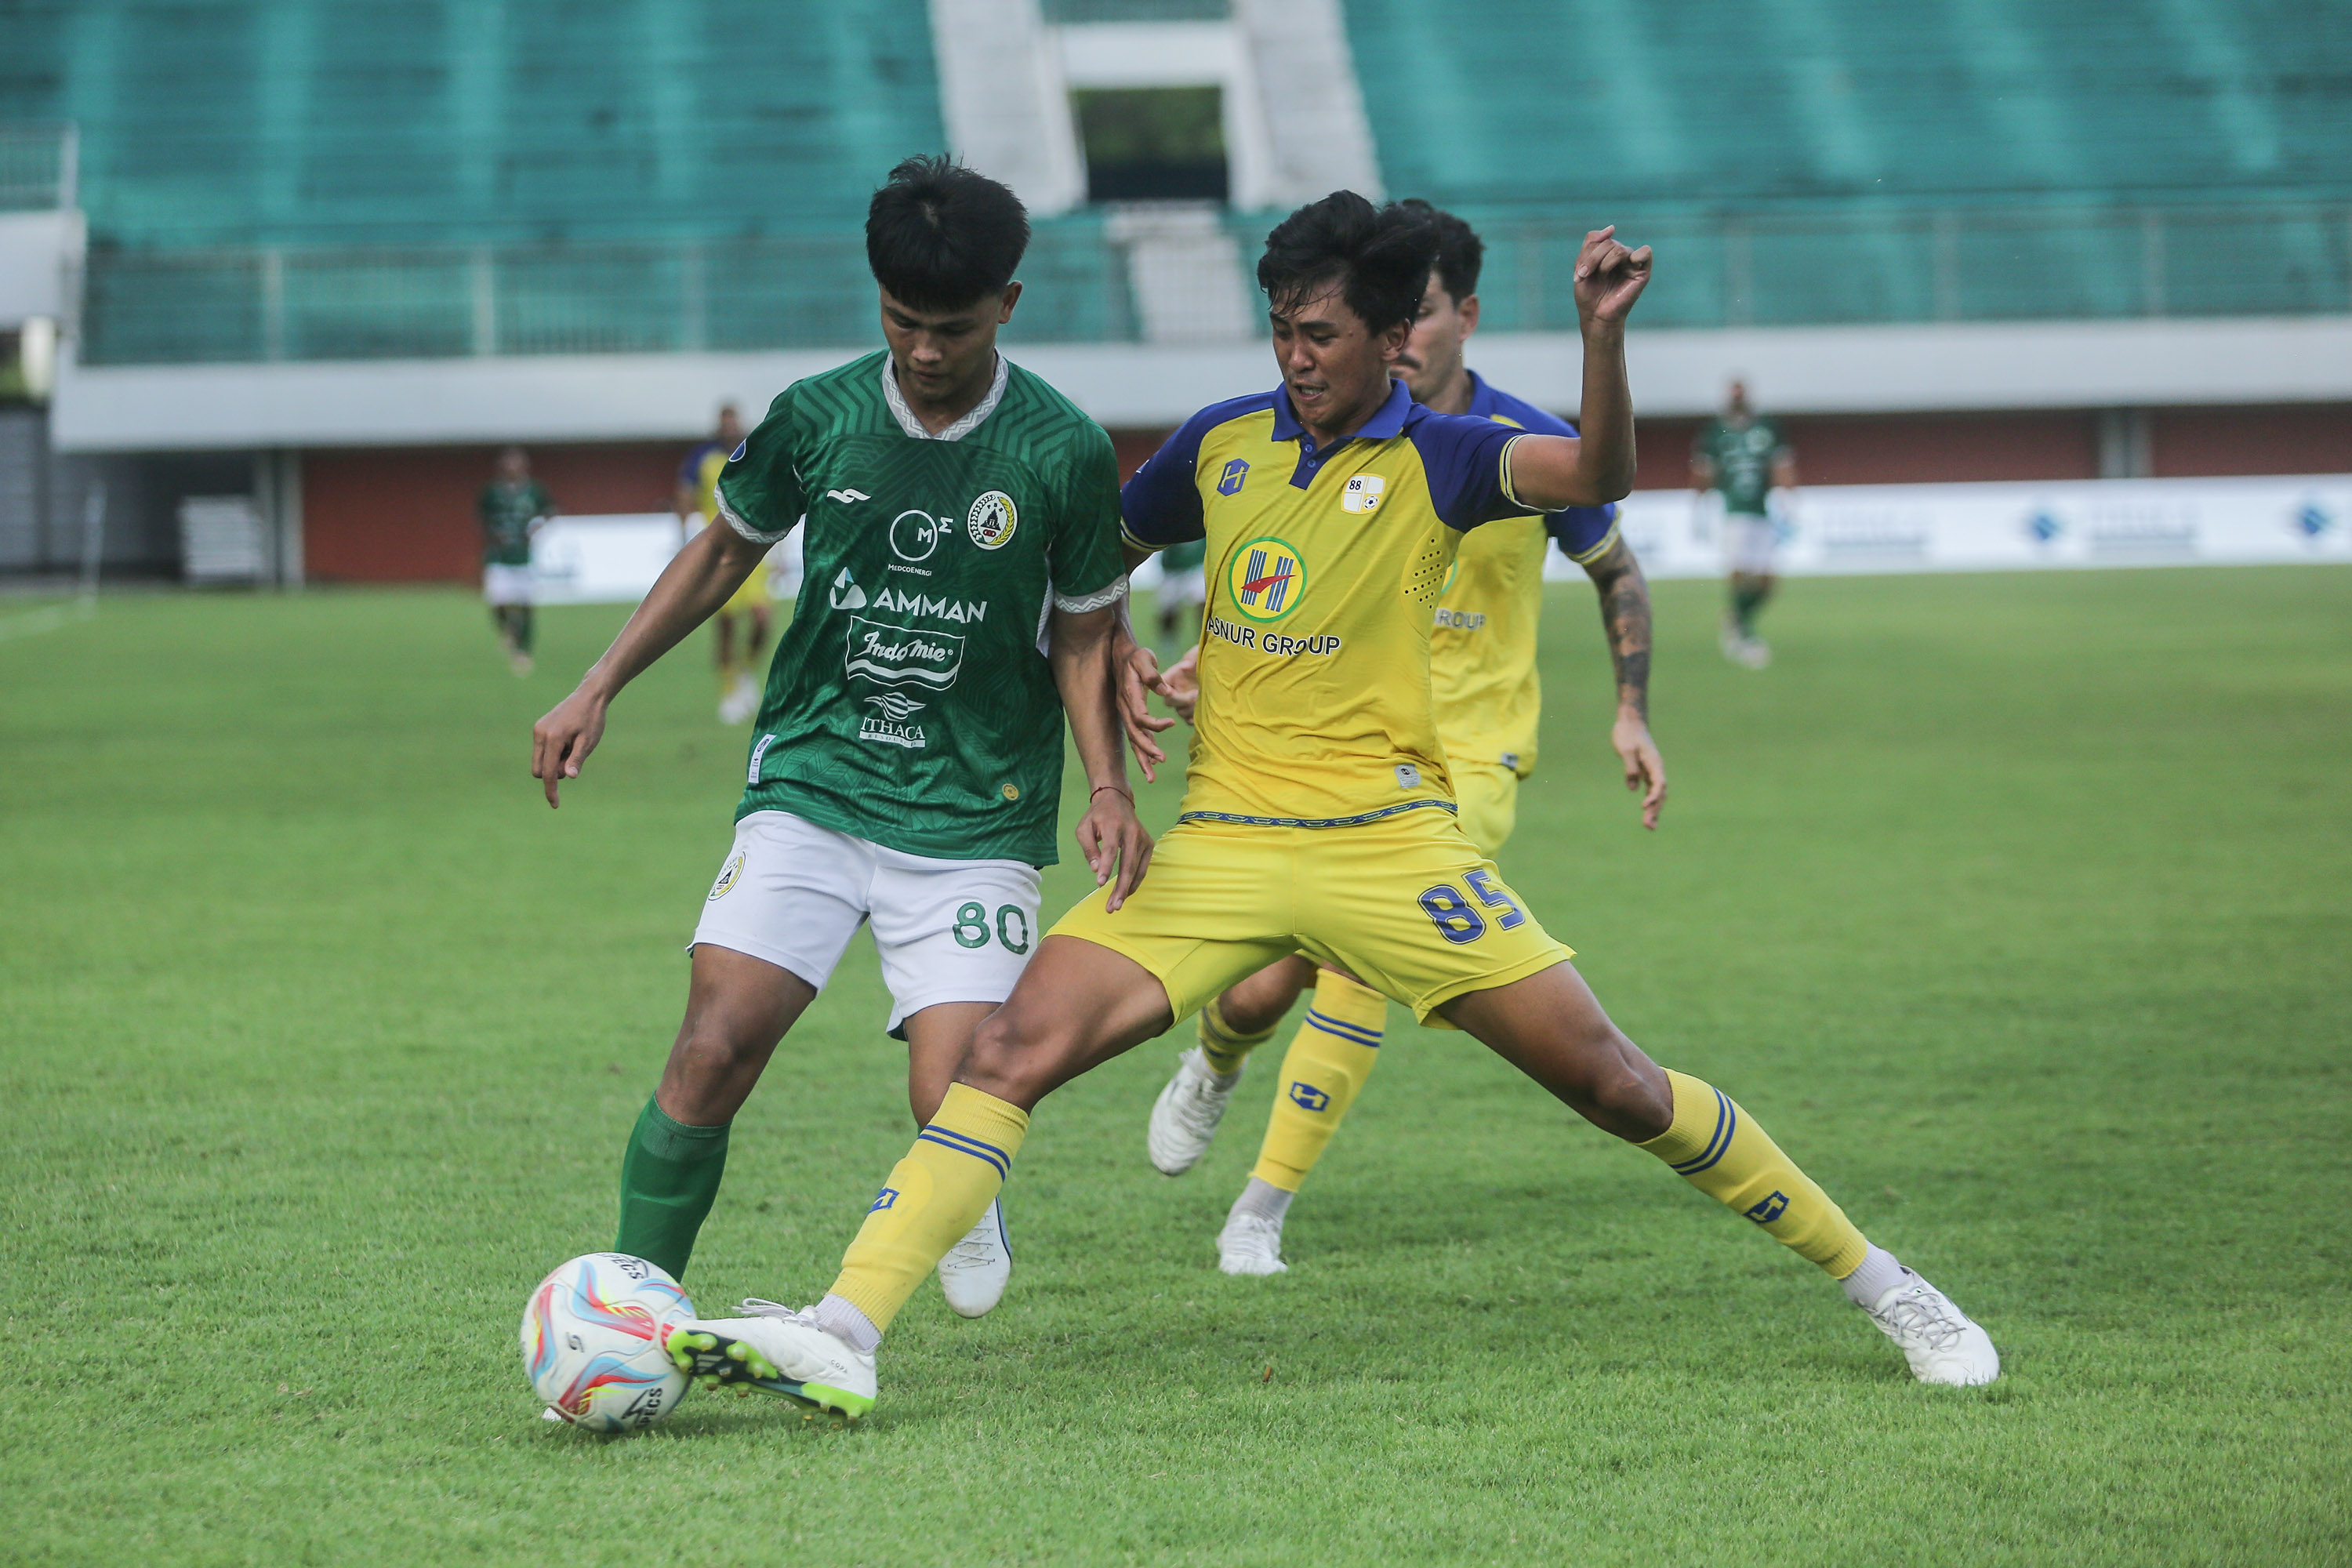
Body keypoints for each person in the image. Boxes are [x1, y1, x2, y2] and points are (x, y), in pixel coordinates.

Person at [659, 193, 1998, 1421]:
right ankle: (845, 1328)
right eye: (1283, 331)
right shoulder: (1221, 444)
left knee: (1616, 1083)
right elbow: (1093, 570)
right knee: (1008, 1054)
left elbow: (1595, 480)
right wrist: (1125, 652)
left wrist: (1601, 337)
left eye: (1322, 334)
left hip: (1390, 847)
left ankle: (1887, 1286)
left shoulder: (1456, 456)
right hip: (1222, 847)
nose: (1296, 357)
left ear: (1397, 334)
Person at [528, 156, 1152, 1367]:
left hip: (981, 808)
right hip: (816, 781)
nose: (924, 349)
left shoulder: (1062, 448)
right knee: (714, 1043)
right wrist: (598, 680)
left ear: (1007, 306)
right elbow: (724, 554)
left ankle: (961, 1178)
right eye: (902, 321)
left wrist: (1113, 785)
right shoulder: (817, 415)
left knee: (956, 1086)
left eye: (953, 327)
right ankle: (630, 1311)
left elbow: (1084, 629)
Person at [1139, 200, 1666, 1276]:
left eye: (1422, 314)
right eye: (1394, 314)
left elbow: (1615, 564)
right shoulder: (1310, 438)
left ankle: (1260, 1210)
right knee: (1258, 984)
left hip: (1466, 759)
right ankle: (1219, 1057)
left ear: (1460, 317)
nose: (1407, 335)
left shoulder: (1504, 445)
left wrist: (1629, 709)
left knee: (1359, 966)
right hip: (1316, 752)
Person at [676, 405, 774, 723]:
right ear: (718, 426)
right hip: (719, 552)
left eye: (734, 422)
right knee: (727, 625)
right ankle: (729, 690)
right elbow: (685, 493)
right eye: (725, 422)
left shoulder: (755, 452)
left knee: (762, 619)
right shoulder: (702, 458)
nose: (730, 427)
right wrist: (684, 534)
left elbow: (772, 498)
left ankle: (745, 672)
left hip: (755, 550)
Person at [1691, 379, 1796, 668]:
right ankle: (1743, 634)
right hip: (1733, 512)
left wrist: (1788, 501)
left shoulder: (1768, 428)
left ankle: (1736, 620)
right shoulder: (1715, 431)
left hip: (1762, 512)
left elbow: (1781, 465)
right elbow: (1703, 471)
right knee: (1739, 572)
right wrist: (1698, 507)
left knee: (1767, 582)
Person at [479, 447, 554, 675]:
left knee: (526, 605)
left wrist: (537, 526)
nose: (513, 468)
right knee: (498, 603)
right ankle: (508, 631)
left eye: (517, 463)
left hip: (523, 557)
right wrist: (494, 533)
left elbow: (550, 509)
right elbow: (481, 515)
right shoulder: (492, 492)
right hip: (498, 557)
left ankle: (523, 652)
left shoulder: (534, 490)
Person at [1153, 536, 1207, 649]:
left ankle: (1204, 638)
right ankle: (1168, 641)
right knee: (1168, 609)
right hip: (1173, 570)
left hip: (1196, 566)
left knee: (1203, 601)